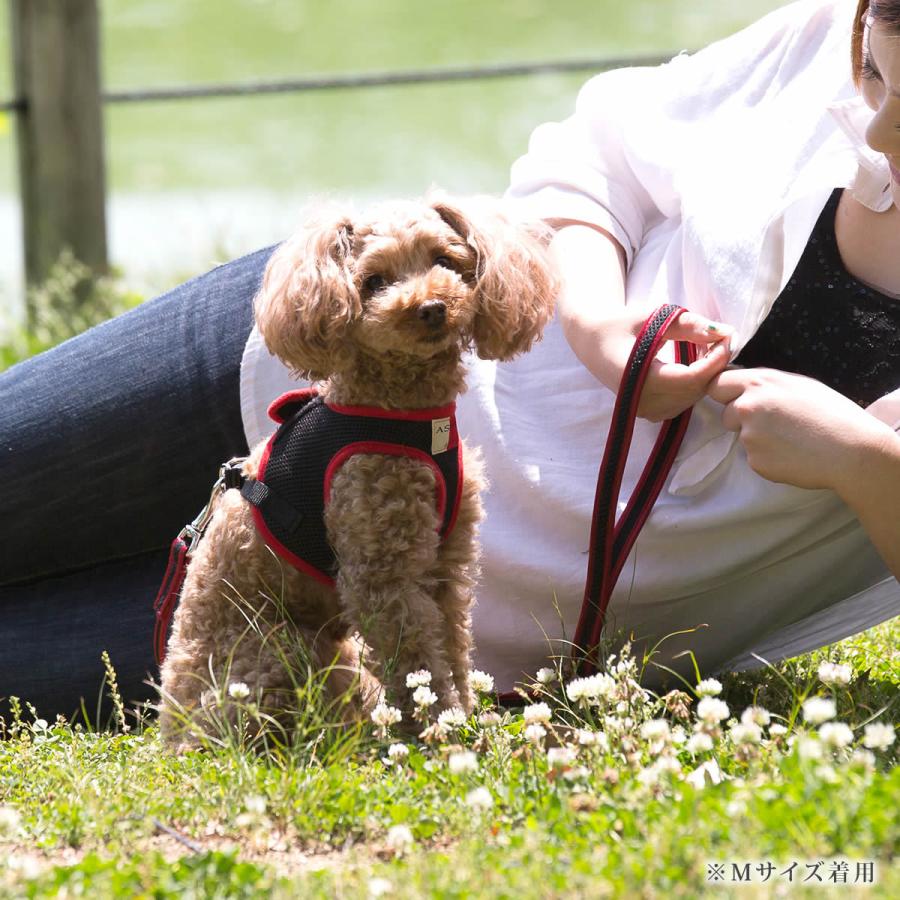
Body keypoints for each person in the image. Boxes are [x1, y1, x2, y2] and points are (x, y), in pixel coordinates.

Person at [1, 0, 898, 722]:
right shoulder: (821, 33)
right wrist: (596, 324)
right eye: (874, 79)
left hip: (414, 628)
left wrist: (862, 463)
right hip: (282, 367)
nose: (880, 135)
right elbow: (592, 159)